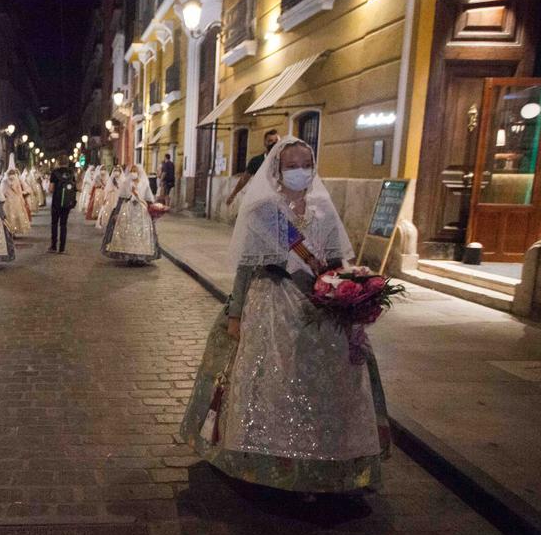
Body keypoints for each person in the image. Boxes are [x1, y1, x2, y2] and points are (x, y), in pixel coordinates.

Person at [179, 136, 390, 498]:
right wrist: (235, 312)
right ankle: (268, 463)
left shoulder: (323, 208)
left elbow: (335, 260)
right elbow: (247, 267)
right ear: (277, 169)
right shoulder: (264, 210)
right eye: (291, 166)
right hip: (271, 302)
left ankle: (326, 462)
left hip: (317, 306)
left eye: (305, 164)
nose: (299, 172)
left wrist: (349, 290)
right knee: (269, 382)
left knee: (324, 383)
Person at [101, 164, 159, 264]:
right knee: (128, 232)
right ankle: (129, 256)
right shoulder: (126, 182)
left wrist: (153, 209)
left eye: (135, 171)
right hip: (128, 209)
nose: (133, 173)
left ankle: (140, 256)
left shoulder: (144, 183)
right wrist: (117, 212)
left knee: (140, 233)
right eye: (131, 171)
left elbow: (149, 198)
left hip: (141, 212)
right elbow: (121, 197)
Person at [225, 128, 279, 208]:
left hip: (278, 201)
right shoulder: (256, 161)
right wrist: (233, 195)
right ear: (265, 143)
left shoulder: (284, 161)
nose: (273, 144)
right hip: (260, 201)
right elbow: (244, 179)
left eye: (276, 141)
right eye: (270, 141)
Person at [48, 156, 77, 253]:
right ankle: (62, 248)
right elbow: (75, 187)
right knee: (63, 224)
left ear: (58, 162)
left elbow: (51, 189)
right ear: (67, 162)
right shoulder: (71, 173)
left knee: (54, 224)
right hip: (67, 202)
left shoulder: (54, 173)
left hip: (56, 202)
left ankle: (53, 246)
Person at [2, 167, 33, 236]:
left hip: (8, 201)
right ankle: (14, 230)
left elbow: (3, 192)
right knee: (16, 215)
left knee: (8, 216)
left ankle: (10, 230)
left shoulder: (5, 181)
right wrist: (22, 199)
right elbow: (19, 191)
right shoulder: (17, 180)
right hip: (16, 200)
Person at [94, 166, 123, 230]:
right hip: (111, 197)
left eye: (118, 171)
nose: (116, 172)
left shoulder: (123, 180)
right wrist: (105, 198)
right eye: (115, 170)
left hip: (119, 197)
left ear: (120, 172)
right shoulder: (112, 180)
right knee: (108, 210)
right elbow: (107, 190)